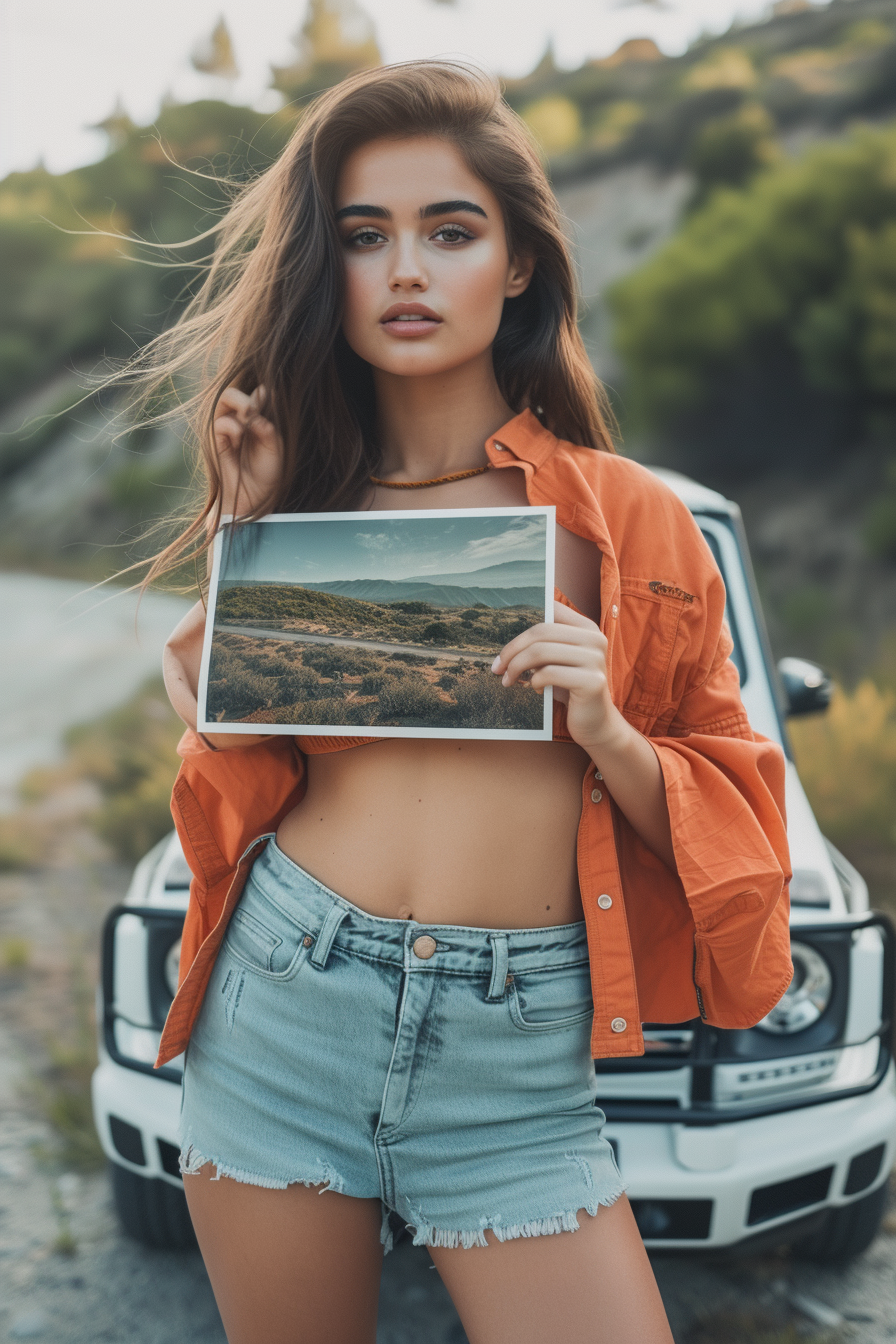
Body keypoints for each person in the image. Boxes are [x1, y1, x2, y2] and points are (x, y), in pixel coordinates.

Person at [142, 61, 792, 1344]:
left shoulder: (629, 518)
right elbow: (241, 793)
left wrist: (605, 729)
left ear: (515, 265)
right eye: (363, 237)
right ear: (321, 271)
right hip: (283, 1009)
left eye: (449, 231)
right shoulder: (294, 511)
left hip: (517, 1062)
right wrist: (240, 556)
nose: (403, 272)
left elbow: (740, 832)